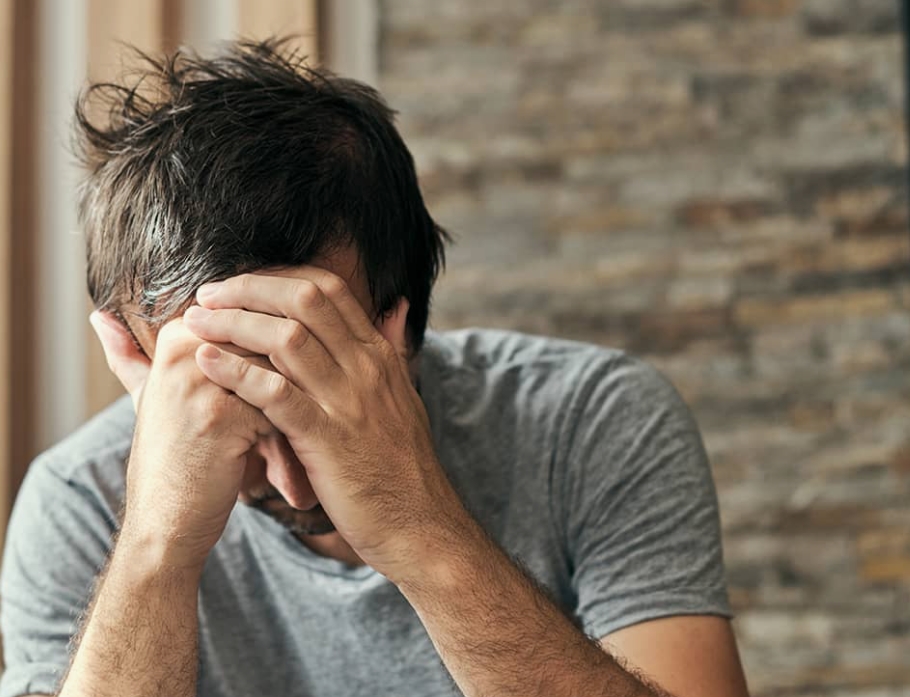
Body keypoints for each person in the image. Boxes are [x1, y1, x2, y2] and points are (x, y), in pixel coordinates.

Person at [0, 39, 750, 697]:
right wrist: (158, 543)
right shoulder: (77, 501)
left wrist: (415, 524)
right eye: (220, 391)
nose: (292, 481)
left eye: (311, 374)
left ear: (401, 318)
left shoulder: (591, 419)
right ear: (128, 351)